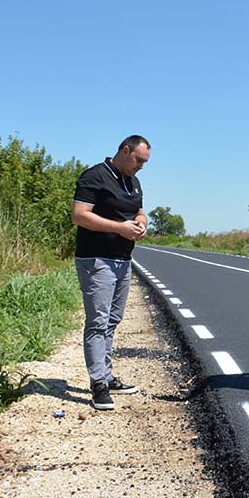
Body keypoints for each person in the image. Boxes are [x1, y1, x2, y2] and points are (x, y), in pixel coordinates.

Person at [72, 135, 150, 410]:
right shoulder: (95, 177)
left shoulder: (133, 181)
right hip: (96, 260)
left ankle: (107, 375)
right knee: (97, 321)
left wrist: (140, 222)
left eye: (145, 162)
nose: (141, 166)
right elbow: (79, 215)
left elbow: (139, 211)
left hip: (122, 261)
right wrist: (119, 228)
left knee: (113, 319)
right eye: (138, 159)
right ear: (125, 150)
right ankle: (98, 385)